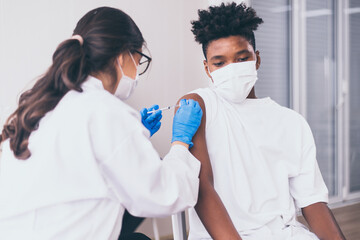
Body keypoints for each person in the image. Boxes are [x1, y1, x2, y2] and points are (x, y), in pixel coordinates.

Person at [0, 7, 203, 240]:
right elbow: (167, 195)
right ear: (123, 56)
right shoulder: (106, 112)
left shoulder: (40, 104)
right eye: (139, 61)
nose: (137, 72)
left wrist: (137, 135)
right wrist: (180, 141)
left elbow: (76, 167)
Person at [176, 2, 346, 240]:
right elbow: (202, 187)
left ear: (256, 59)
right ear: (207, 69)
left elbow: (312, 201)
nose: (231, 69)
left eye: (241, 58)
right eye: (219, 62)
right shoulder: (197, 106)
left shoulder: (291, 122)